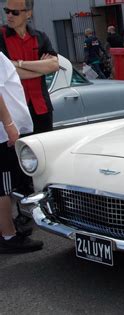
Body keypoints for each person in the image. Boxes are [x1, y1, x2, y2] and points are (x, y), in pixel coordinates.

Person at [0, 51, 43, 253]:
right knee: (3, 188)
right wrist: (9, 124)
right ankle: (8, 236)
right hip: (3, 133)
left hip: (5, 130)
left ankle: (6, 230)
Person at [0, 0, 59, 134]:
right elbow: (6, 72)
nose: (9, 15)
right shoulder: (1, 36)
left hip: (42, 107)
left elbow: (54, 64)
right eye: (6, 11)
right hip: (13, 111)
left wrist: (19, 63)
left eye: (14, 12)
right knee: (18, 153)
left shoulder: (40, 36)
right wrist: (40, 69)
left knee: (43, 151)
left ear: (28, 14)